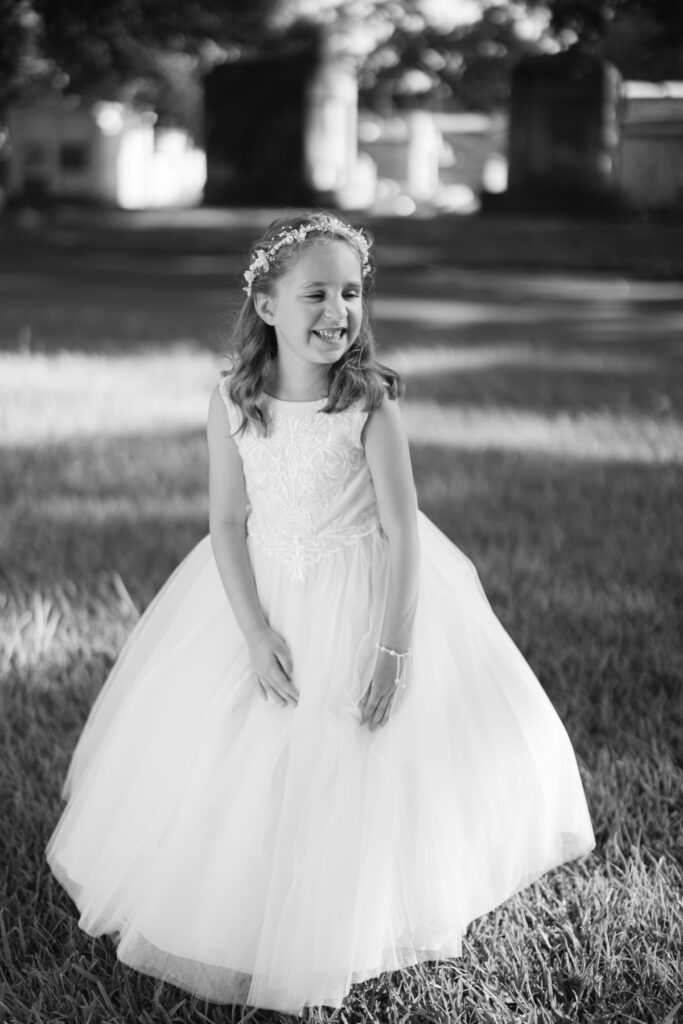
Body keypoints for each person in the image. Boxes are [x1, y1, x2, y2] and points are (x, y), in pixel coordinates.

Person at [46, 211, 595, 1014]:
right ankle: (244, 896)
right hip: (262, 593)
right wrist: (255, 629)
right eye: (315, 294)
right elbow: (226, 524)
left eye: (351, 292)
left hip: (362, 594)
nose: (338, 311)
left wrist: (393, 650)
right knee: (237, 751)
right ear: (267, 305)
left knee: (357, 754)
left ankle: (354, 909)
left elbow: (404, 530)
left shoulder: (368, 405)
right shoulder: (233, 402)